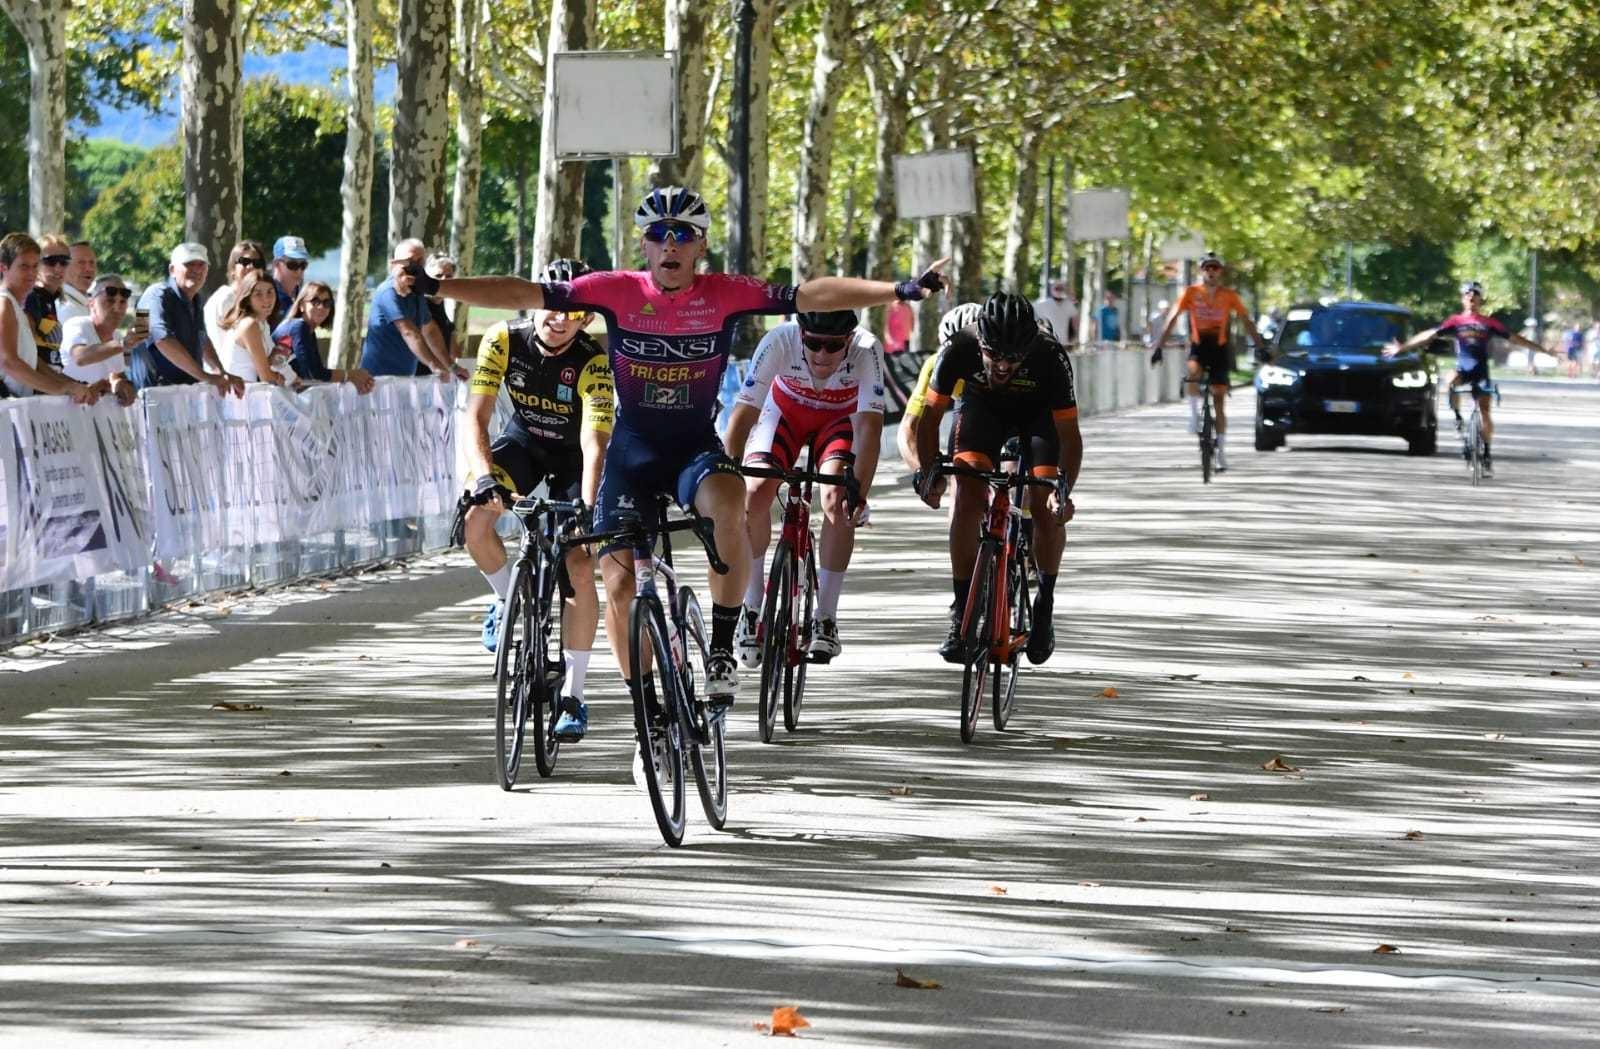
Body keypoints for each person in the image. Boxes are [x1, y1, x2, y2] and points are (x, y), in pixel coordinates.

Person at [426, 185, 947, 719]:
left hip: (692, 446)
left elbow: (811, 295)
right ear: (645, 245)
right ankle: (644, 709)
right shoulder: (614, 289)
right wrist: (442, 286)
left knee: (732, 505)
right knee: (619, 583)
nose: (669, 244)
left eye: (683, 235)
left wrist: (898, 289)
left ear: (700, 245)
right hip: (631, 452)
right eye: (658, 234)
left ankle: (722, 648)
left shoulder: (725, 292)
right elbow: (523, 295)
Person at [457, 258, 613, 739]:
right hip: (522, 442)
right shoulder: (504, 339)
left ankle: (574, 695)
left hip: (573, 458)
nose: (559, 316)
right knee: (474, 518)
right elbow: (476, 419)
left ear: (586, 317)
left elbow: (595, 442)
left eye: (573, 310)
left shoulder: (592, 359)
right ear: (535, 302)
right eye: (552, 304)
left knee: (579, 565)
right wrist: (484, 478)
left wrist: (586, 508)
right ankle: (507, 599)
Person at [906, 293, 1081, 665]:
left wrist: (1062, 490)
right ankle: (961, 612)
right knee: (967, 494)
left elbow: (1069, 436)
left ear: (1029, 347)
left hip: (1038, 420)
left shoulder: (1050, 356)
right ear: (980, 341)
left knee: (1043, 505)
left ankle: (1044, 603)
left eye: (1013, 358)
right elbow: (928, 419)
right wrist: (929, 470)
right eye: (993, 354)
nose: (1002, 365)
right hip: (982, 412)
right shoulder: (959, 347)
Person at [722, 308, 885, 663]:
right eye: (814, 343)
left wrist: (860, 488)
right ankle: (751, 607)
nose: (823, 354)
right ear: (801, 335)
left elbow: (870, 427)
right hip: (784, 414)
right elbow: (745, 411)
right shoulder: (779, 340)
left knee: (837, 501)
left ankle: (825, 616)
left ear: (849, 339)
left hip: (837, 421)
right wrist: (726, 469)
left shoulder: (867, 348)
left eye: (834, 345)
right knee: (753, 493)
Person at [1384, 280, 1543, 475]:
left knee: (1485, 412)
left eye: (1475, 295)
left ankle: (1486, 452)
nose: (1471, 298)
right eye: (1468, 295)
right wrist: (1404, 347)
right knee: (1450, 380)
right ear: (1463, 299)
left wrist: (1544, 350)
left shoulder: (1489, 323)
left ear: (1480, 300)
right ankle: (1458, 416)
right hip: (1463, 369)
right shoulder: (1456, 321)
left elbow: (1516, 338)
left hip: (1481, 372)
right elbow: (1430, 335)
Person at [1147, 252, 1266, 472]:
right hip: (1199, 345)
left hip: (1220, 349)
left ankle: (1221, 453)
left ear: (1220, 272)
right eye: (1207, 268)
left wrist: (1260, 347)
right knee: (1192, 371)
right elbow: (1172, 318)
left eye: (1215, 268)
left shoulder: (1229, 295)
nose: (1211, 272)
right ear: (1202, 271)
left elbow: (1246, 320)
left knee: (1219, 400)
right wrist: (1158, 348)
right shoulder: (1191, 293)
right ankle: (1193, 415)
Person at [127, 242, 245, 396]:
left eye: (201, 264)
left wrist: (221, 373)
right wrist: (206, 377)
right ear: (172, 270)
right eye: (189, 264)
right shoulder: (154, 295)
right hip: (153, 395)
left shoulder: (196, 300)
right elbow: (162, 340)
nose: (196, 269)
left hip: (182, 395)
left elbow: (202, 338)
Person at [0, 232, 96, 402]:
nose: (31, 273)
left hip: (22, 404)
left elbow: (33, 361)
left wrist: (71, 385)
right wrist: (61, 388)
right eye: (24, 266)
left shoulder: (17, 305)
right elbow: (9, 363)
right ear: (3, 268)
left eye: (35, 266)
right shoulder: (4, 303)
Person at [360, 239, 461, 379]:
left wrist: (451, 365)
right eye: (409, 261)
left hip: (405, 377)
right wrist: (435, 366)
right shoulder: (388, 291)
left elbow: (430, 330)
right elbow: (408, 332)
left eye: (420, 262)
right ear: (395, 263)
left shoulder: (416, 292)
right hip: (377, 379)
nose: (415, 266)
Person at [897, 301, 981, 468]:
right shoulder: (936, 364)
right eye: (955, 355)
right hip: (967, 408)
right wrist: (923, 472)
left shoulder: (1004, 359)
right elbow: (909, 427)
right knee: (960, 472)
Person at [272, 281, 374, 391]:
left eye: (327, 303)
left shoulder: (309, 331)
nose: (321, 307)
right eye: (315, 301)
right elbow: (314, 373)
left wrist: (352, 377)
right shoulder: (299, 327)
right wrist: (351, 375)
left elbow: (315, 373)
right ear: (301, 305)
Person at [61, 274, 142, 405]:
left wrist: (123, 385)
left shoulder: (115, 336)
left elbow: (116, 375)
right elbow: (80, 357)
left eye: (122, 302)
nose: (117, 308)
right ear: (91, 304)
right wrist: (122, 344)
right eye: (110, 301)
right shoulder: (77, 324)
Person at [217, 269, 293, 385]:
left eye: (270, 292)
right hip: (243, 396)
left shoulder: (262, 324)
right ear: (247, 299)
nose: (266, 299)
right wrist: (286, 379)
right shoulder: (249, 324)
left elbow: (270, 364)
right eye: (258, 294)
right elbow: (266, 376)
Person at [204, 240, 270, 354]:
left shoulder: (255, 300)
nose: (251, 267)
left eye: (257, 263)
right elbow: (221, 349)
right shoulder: (224, 300)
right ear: (232, 269)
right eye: (244, 261)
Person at [24, 232, 71, 370]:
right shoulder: (31, 297)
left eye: (64, 262)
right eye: (50, 261)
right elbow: (29, 354)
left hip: (51, 381)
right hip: (34, 385)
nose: (58, 268)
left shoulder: (51, 299)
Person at [269, 235, 310, 326]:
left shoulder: (301, 294)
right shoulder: (267, 294)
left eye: (303, 265)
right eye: (292, 265)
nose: (299, 271)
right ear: (276, 264)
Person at [58, 240, 96, 324]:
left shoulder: (89, 303)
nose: (89, 268)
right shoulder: (65, 308)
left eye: (92, 262)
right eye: (81, 263)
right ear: (64, 267)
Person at [1033, 279, 1077, 345]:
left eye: (1061, 288)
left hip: (1064, 342)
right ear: (1051, 289)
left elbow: (1074, 322)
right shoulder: (1043, 304)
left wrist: (1074, 338)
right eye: (1057, 288)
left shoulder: (1069, 304)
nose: (1059, 291)